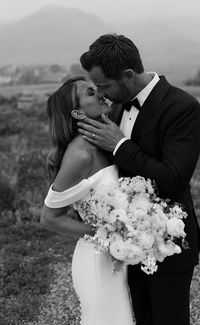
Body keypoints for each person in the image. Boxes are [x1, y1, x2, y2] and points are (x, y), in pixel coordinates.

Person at [77, 33, 200, 325]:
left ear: (128, 75)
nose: (101, 93)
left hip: (169, 243)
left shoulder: (182, 108)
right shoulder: (119, 105)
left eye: (103, 85)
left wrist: (120, 146)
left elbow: (173, 179)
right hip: (126, 243)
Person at [40, 76, 134, 325]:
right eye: (91, 93)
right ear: (78, 113)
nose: (101, 93)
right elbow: (49, 218)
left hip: (116, 259)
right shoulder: (80, 154)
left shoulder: (104, 143)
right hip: (97, 261)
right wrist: (107, 234)